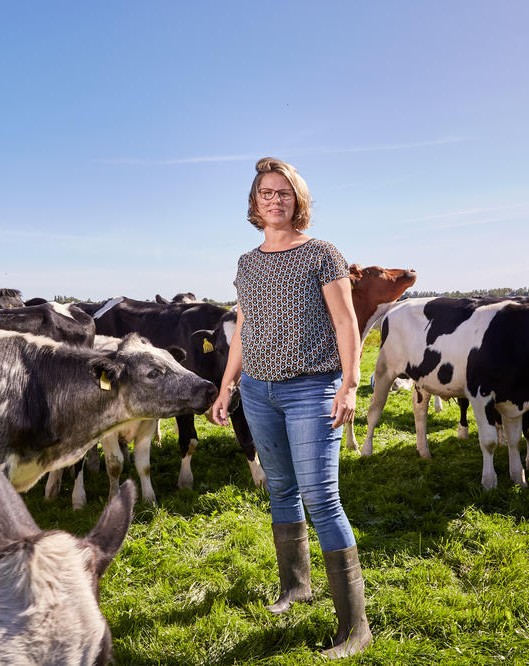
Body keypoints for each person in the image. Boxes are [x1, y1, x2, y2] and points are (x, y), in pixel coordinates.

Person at [210, 157, 371, 658]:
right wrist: (227, 384)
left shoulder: (323, 254)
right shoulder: (247, 261)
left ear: (297, 200)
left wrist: (350, 385)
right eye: (265, 192)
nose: (274, 199)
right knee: (280, 487)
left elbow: (347, 325)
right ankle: (295, 588)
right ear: (254, 203)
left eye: (283, 192)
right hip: (259, 389)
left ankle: (355, 627)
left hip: (312, 388)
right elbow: (246, 328)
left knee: (321, 498)